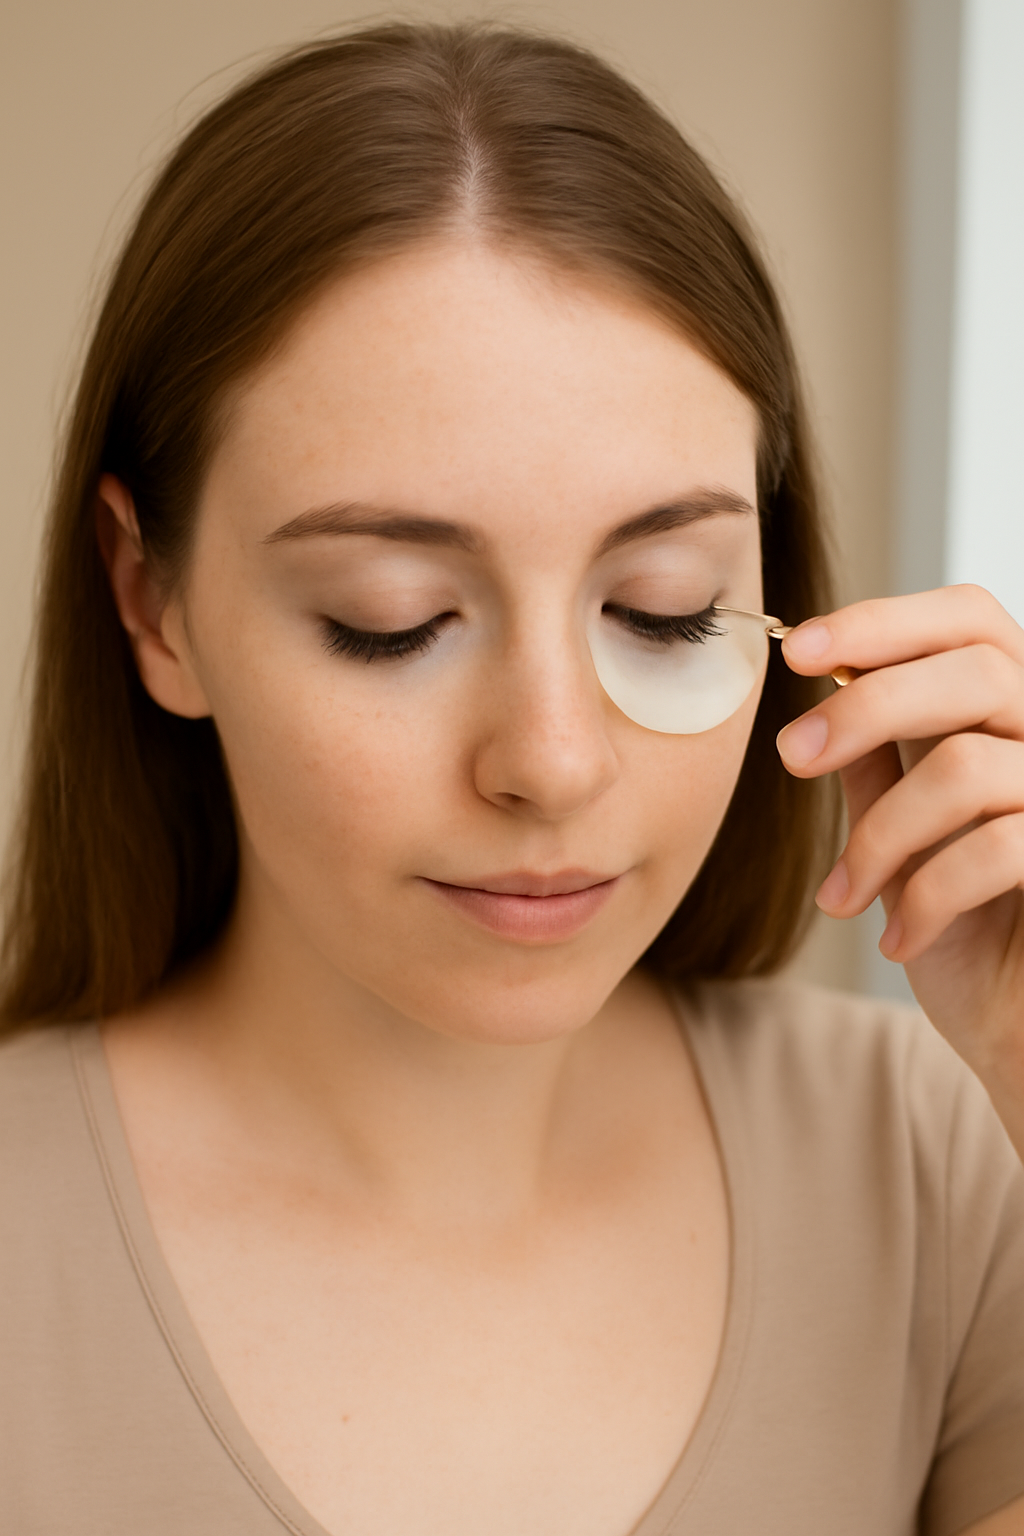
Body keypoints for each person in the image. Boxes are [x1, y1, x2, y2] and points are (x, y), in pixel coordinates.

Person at [1, 22, 1022, 1536]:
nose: (552, 761)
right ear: (152, 602)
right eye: (391, 621)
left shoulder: (943, 1169)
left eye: (666, 607)